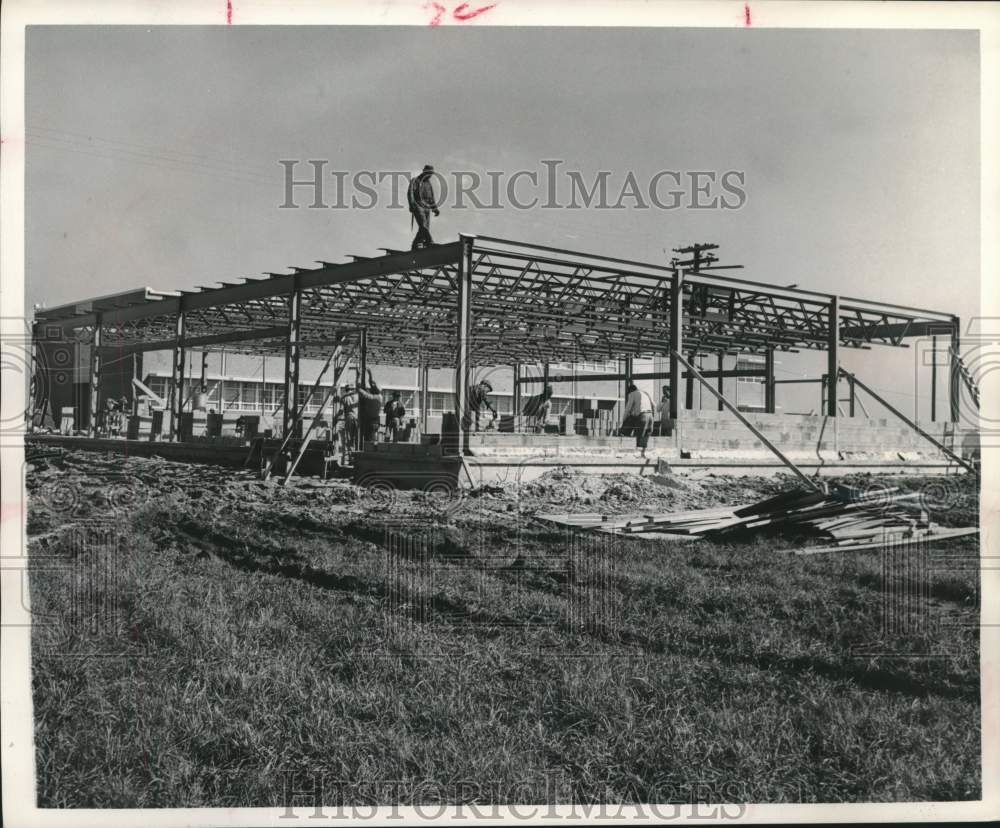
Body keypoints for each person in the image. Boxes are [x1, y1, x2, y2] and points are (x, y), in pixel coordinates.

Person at [407, 164, 440, 250]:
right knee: (423, 225)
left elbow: (431, 197)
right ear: (424, 172)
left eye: (431, 174)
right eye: (429, 173)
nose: (430, 175)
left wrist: (435, 208)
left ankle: (415, 244)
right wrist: (412, 204)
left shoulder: (428, 184)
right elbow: (410, 193)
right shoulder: (415, 180)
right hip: (418, 205)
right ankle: (430, 241)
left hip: (427, 207)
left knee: (425, 228)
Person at [619, 382, 655, 456]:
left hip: (643, 416)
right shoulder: (645, 393)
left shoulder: (633, 394)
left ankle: (638, 455)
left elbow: (628, 409)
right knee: (645, 438)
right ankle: (644, 454)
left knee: (639, 437)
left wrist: (623, 420)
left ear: (630, 391)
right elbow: (654, 405)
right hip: (650, 416)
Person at [356, 369, 383, 446]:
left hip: (369, 421)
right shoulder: (380, 397)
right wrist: (370, 374)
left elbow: (358, 388)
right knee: (374, 439)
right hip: (376, 421)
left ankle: (368, 450)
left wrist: (358, 376)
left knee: (368, 440)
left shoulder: (369, 397)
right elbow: (372, 384)